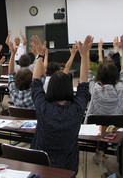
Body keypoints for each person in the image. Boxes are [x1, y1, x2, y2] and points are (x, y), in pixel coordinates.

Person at [30, 35, 92, 174]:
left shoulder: (43, 107)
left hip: (40, 167)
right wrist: (84, 55)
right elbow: (84, 84)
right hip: (67, 169)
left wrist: (39, 55)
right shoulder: (77, 108)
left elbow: (35, 81)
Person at [85, 35, 123, 133]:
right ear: (116, 76)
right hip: (118, 131)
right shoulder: (120, 89)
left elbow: (87, 74)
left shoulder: (94, 90)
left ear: (98, 76)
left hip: (96, 132)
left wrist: (86, 52)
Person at [7, 41, 35, 109]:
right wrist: (37, 54)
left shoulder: (14, 93)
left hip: (18, 119)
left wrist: (13, 53)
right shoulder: (35, 95)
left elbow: (10, 73)